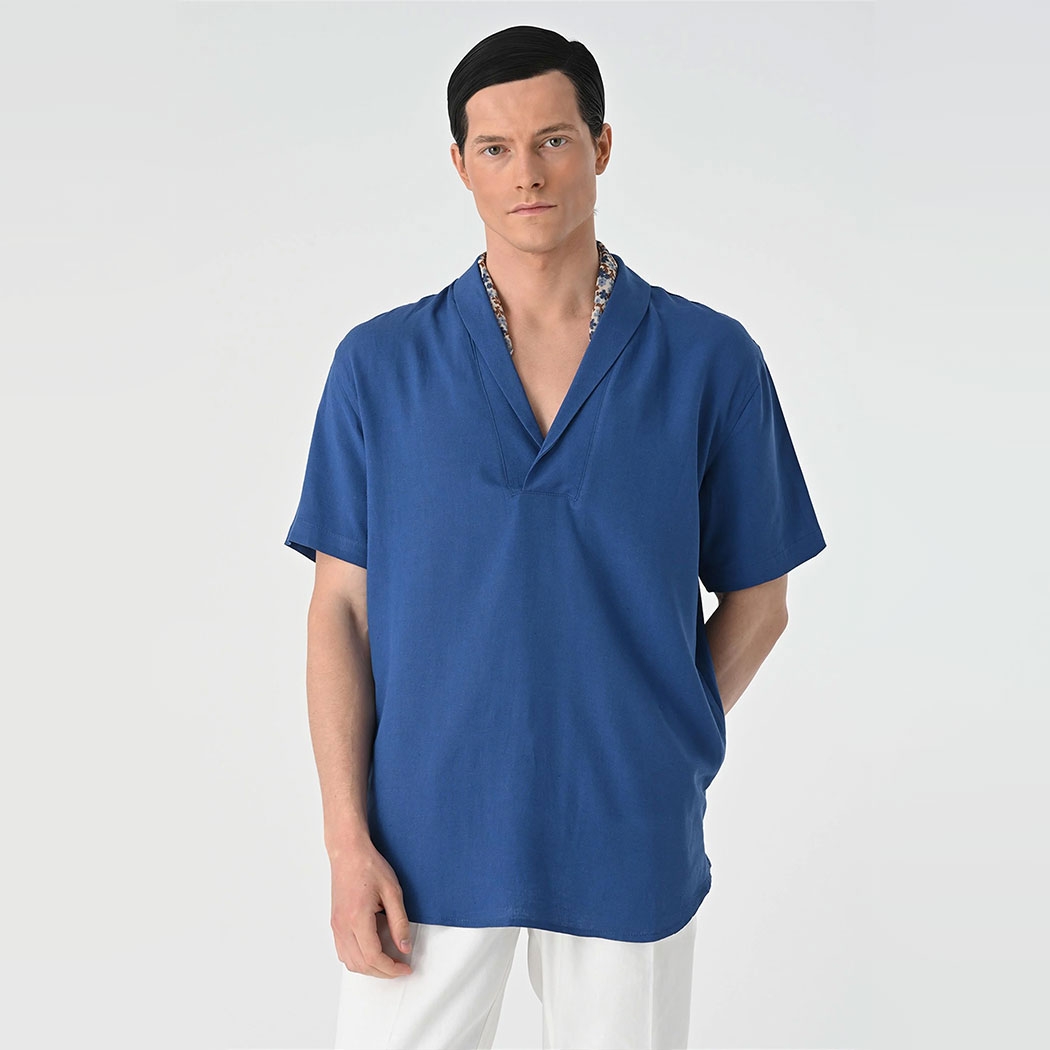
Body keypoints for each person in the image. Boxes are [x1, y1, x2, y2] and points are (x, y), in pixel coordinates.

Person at [284, 24, 827, 1050]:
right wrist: (347, 843)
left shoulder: (707, 360)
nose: (526, 173)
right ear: (460, 166)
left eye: (553, 140)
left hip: (626, 826)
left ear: (602, 146)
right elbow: (339, 612)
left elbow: (762, 598)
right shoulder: (380, 367)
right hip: (425, 839)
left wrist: (665, 736)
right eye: (495, 148)